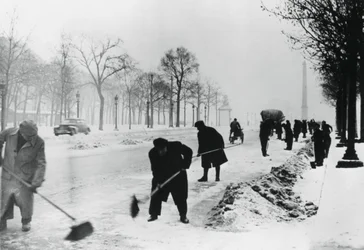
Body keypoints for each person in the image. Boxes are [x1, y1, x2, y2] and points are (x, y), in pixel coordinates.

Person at [0, 120, 46, 232]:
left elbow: (41, 163)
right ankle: (2, 221)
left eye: (33, 135)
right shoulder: (9, 133)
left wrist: (36, 182)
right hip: (8, 172)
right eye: (28, 136)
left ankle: (26, 221)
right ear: (21, 132)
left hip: (25, 175)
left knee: (25, 200)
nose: (31, 138)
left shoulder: (39, 142)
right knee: (5, 199)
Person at [148, 138, 193, 224]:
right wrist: (158, 181)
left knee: (181, 196)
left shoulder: (176, 146)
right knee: (156, 193)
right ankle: (154, 214)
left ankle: (183, 215)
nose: (161, 152)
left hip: (178, 174)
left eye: (162, 149)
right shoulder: (152, 153)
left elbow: (189, 151)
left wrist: (185, 164)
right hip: (162, 175)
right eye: (159, 150)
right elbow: (155, 169)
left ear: (166, 146)